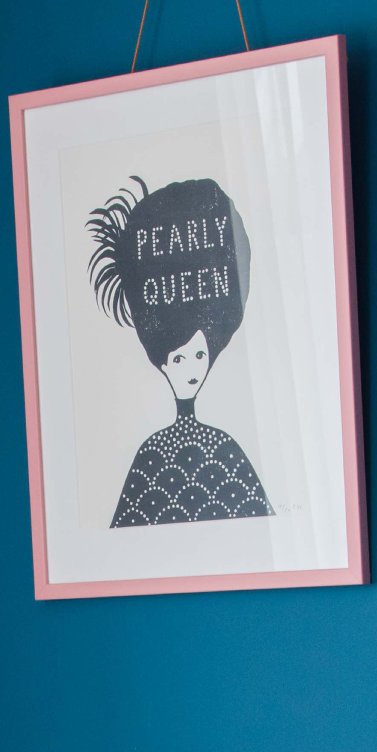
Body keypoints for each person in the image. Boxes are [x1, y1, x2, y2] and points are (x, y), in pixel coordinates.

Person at [85, 174, 270, 526]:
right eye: (178, 358)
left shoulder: (224, 450)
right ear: (162, 362)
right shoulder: (152, 457)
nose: (190, 369)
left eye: (199, 355)